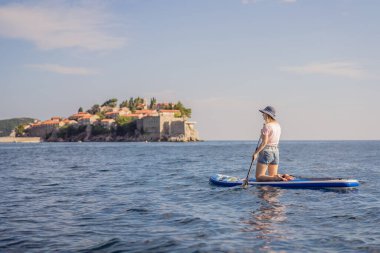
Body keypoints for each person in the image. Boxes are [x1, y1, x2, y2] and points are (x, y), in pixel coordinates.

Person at [251, 106, 293, 182]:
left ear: (267, 114)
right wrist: (262, 134)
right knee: (272, 176)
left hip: (266, 151)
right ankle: (283, 176)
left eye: (263, 113)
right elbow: (271, 137)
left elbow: (264, 143)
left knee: (259, 177)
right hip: (275, 151)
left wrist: (255, 153)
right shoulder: (278, 126)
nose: (262, 115)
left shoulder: (267, 126)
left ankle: (276, 178)